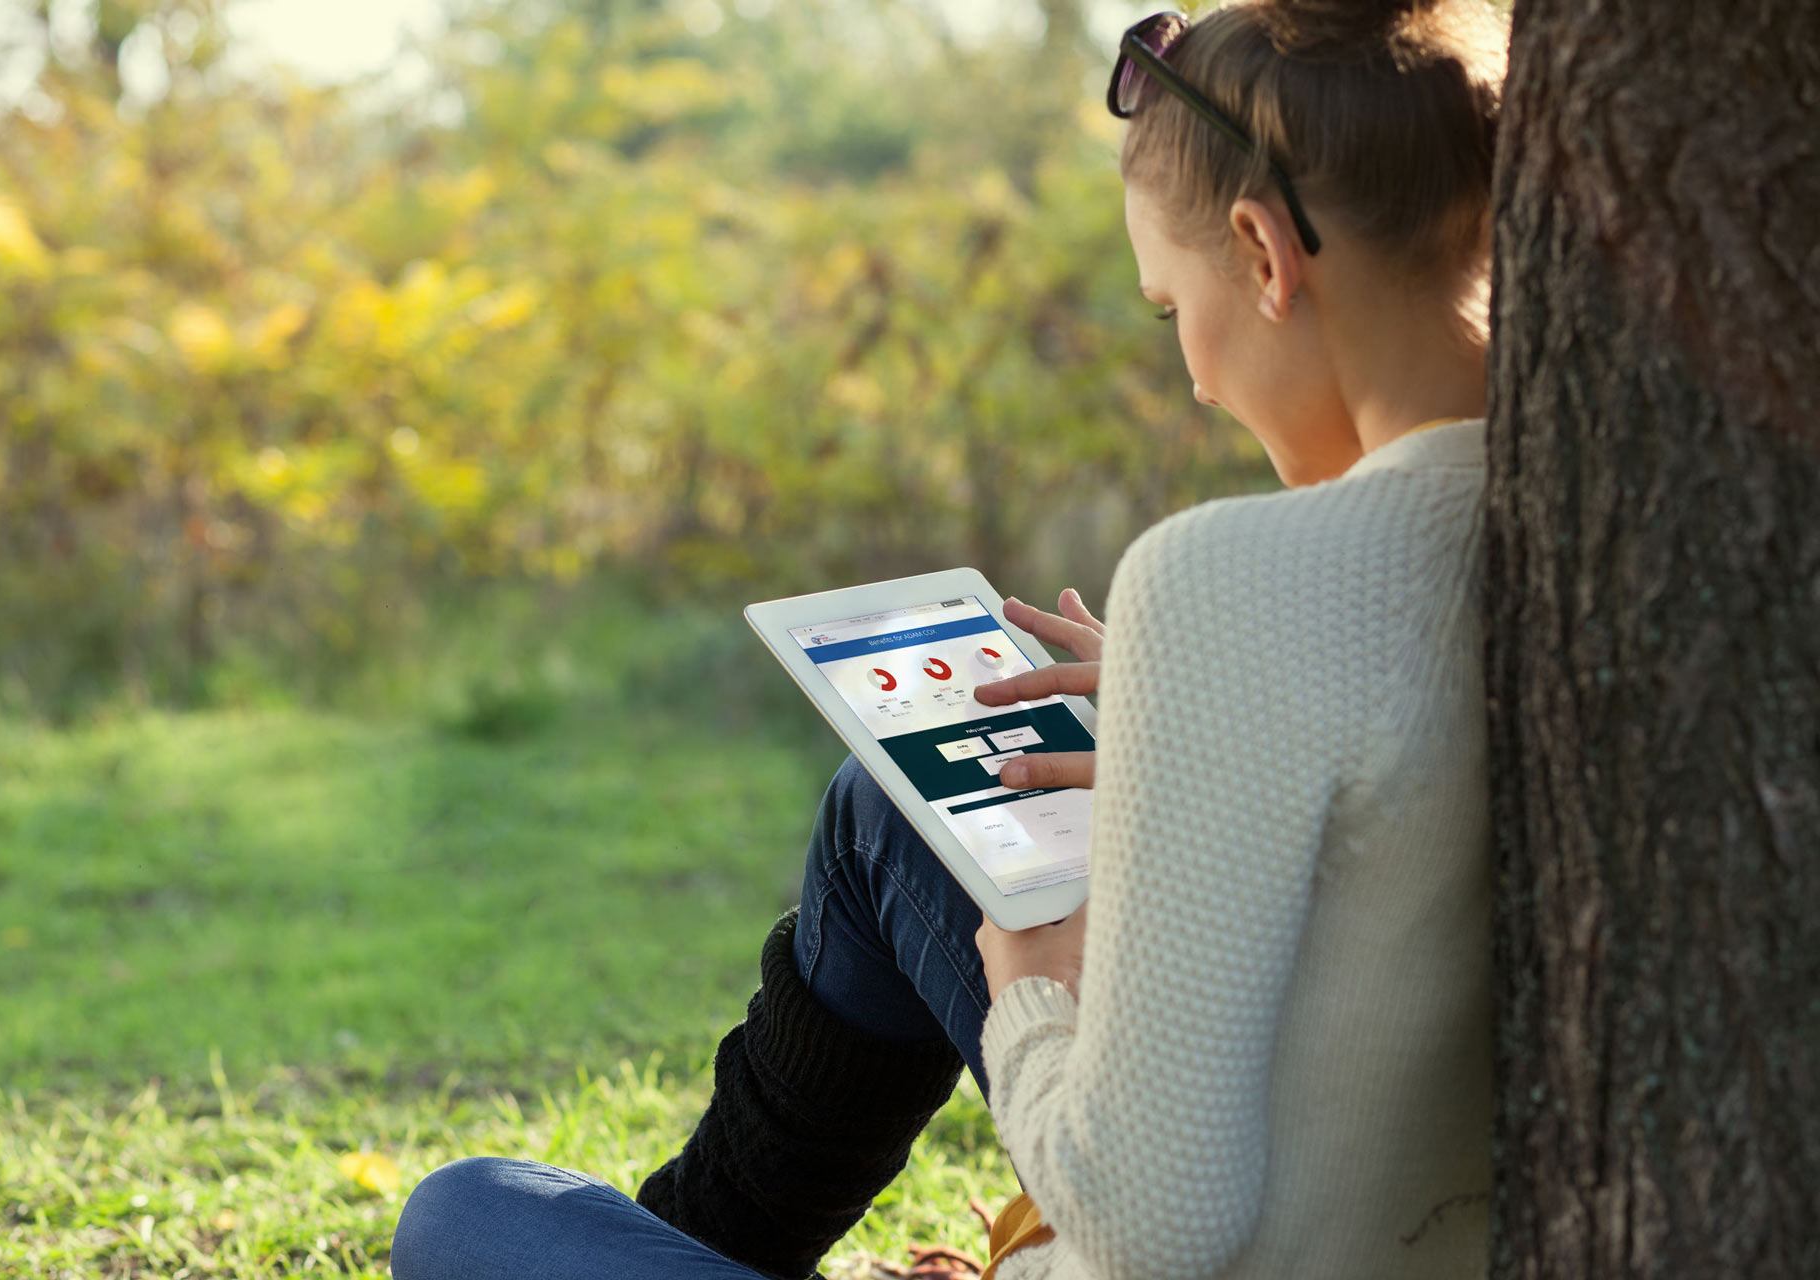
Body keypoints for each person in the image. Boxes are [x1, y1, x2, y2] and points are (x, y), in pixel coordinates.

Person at [390, 0, 1507, 1275]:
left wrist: (1030, 980)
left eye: (1166, 308)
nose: (1195, 373)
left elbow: (1156, 1218)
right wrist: (1167, 723)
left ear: (1263, 254)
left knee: (469, 1213)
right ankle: (689, 1240)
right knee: (892, 806)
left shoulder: (1225, 576)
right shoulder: (1585, 524)